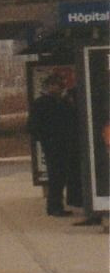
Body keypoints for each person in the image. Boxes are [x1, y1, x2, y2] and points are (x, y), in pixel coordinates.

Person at [27, 73, 78, 218]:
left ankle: (57, 205)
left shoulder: (63, 102)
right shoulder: (42, 103)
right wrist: (46, 139)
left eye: (60, 86)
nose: (58, 88)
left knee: (61, 176)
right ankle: (54, 206)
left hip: (63, 143)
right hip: (53, 145)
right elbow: (33, 127)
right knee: (56, 176)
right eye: (56, 85)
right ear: (49, 86)